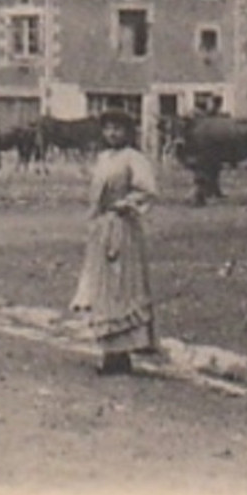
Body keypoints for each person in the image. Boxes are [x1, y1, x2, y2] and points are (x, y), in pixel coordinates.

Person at [68, 109, 158, 375]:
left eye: (118, 129)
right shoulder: (104, 158)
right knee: (104, 289)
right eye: (108, 129)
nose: (112, 134)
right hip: (102, 228)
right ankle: (111, 352)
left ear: (128, 132)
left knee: (122, 286)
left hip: (123, 227)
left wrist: (126, 204)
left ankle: (122, 352)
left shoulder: (134, 158)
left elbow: (147, 190)